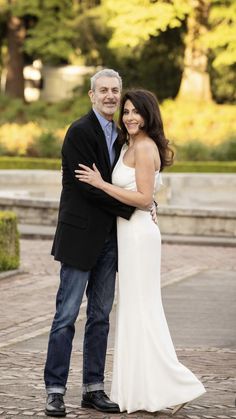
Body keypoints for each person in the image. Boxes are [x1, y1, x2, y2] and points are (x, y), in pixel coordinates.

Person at [75, 89, 206, 414]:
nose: (130, 116)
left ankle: (177, 384)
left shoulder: (145, 147)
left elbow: (144, 198)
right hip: (130, 233)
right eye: (128, 111)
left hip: (138, 236)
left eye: (137, 112)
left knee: (142, 308)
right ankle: (145, 389)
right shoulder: (131, 143)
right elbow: (145, 194)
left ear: (148, 115)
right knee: (135, 309)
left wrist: (101, 183)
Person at [44, 69, 157, 417]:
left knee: (100, 316)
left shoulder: (126, 137)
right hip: (80, 238)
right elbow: (86, 188)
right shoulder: (79, 132)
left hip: (111, 241)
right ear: (92, 95)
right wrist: (135, 205)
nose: (110, 96)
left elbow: (135, 180)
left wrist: (146, 200)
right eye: (103, 90)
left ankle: (93, 388)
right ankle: (55, 390)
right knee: (66, 316)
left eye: (115, 91)